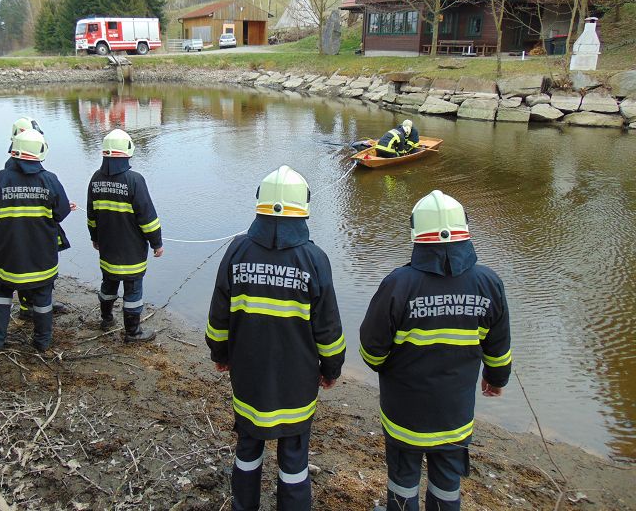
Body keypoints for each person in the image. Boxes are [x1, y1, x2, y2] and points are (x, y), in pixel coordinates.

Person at [359, 190, 512, 511]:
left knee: (403, 479)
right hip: (454, 415)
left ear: (417, 236)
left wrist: (388, 366)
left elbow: (371, 351)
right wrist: (496, 378)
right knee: (447, 484)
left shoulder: (398, 284)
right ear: (465, 232)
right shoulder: (489, 283)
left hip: (405, 414)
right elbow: (498, 347)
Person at [205, 165, 346, 511]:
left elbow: (218, 316)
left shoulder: (237, 251)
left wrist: (219, 353)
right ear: (304, 207)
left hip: (248, 375)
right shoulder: (314, 259)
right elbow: (328, 328)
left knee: (248, 447)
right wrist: (331, 369)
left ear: (259, 204)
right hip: (296, 381)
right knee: (294, 456)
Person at [0, 128, 71, 354]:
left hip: (8, 254)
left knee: (1, 296)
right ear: (40, 152)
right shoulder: (50, 180)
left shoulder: (1, 178)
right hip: (42, 256)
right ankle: (42, 342)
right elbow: (62, 212)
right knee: (43, 299)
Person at [86, 128, 163, 342]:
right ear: (128, 152)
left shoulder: (95, 178)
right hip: (131, 251)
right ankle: (133, 332)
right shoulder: (135, 180)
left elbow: (91, 215)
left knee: (108, 283)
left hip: (107, 248)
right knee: (133, 290)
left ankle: (106, 319)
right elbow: (148, 218)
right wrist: (157, 243)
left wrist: (94, 237)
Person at [7, 116, 71, 320]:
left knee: (36, 269)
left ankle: (40, 304)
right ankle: (32, 310)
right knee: (33, 269)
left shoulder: (15, 165)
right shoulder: (12, 169)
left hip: (31, 228)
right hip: (31, 230)